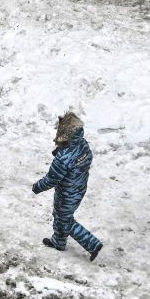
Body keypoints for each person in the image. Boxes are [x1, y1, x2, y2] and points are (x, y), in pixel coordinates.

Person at [32, 112, 104, 261]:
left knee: (64, 219)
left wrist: (37, 187)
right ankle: (58, 241)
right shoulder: (82, 144)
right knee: (60, 217)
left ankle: (93, 244)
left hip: (67, 193)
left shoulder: (63, 158)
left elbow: (52, 179)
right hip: (79, 187)